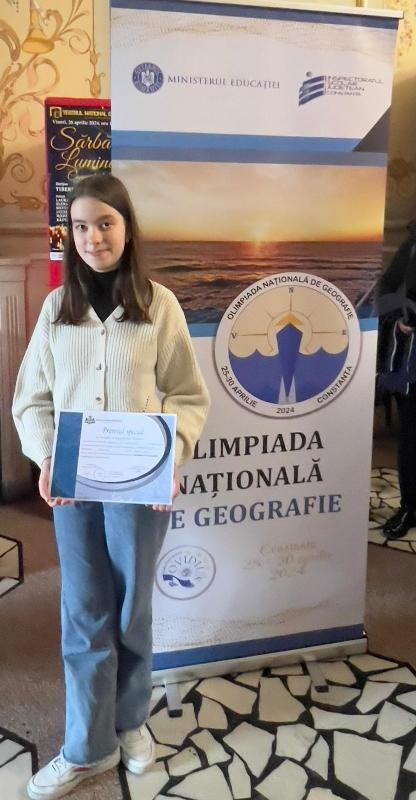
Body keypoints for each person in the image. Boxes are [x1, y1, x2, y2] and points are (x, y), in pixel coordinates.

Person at [12, 173, 210, 799]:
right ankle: (87, 747)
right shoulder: (57, 309)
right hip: (75, 489)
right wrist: (47, 455)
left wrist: (172, 455)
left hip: (140, 491)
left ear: (127, 229)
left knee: (131, 611)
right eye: (81, 226)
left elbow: (187, 395)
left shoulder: (160, 305)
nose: (93, 237)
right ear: (69, 235)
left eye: (105, 223)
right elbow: (31, 398)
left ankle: (130, 722)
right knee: (83, 611)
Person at [376, 219, 416, 539]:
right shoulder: (412, 243)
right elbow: (388, 287)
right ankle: (410, 507)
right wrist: (403, 318)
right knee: (412, 437)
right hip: (411, 358)